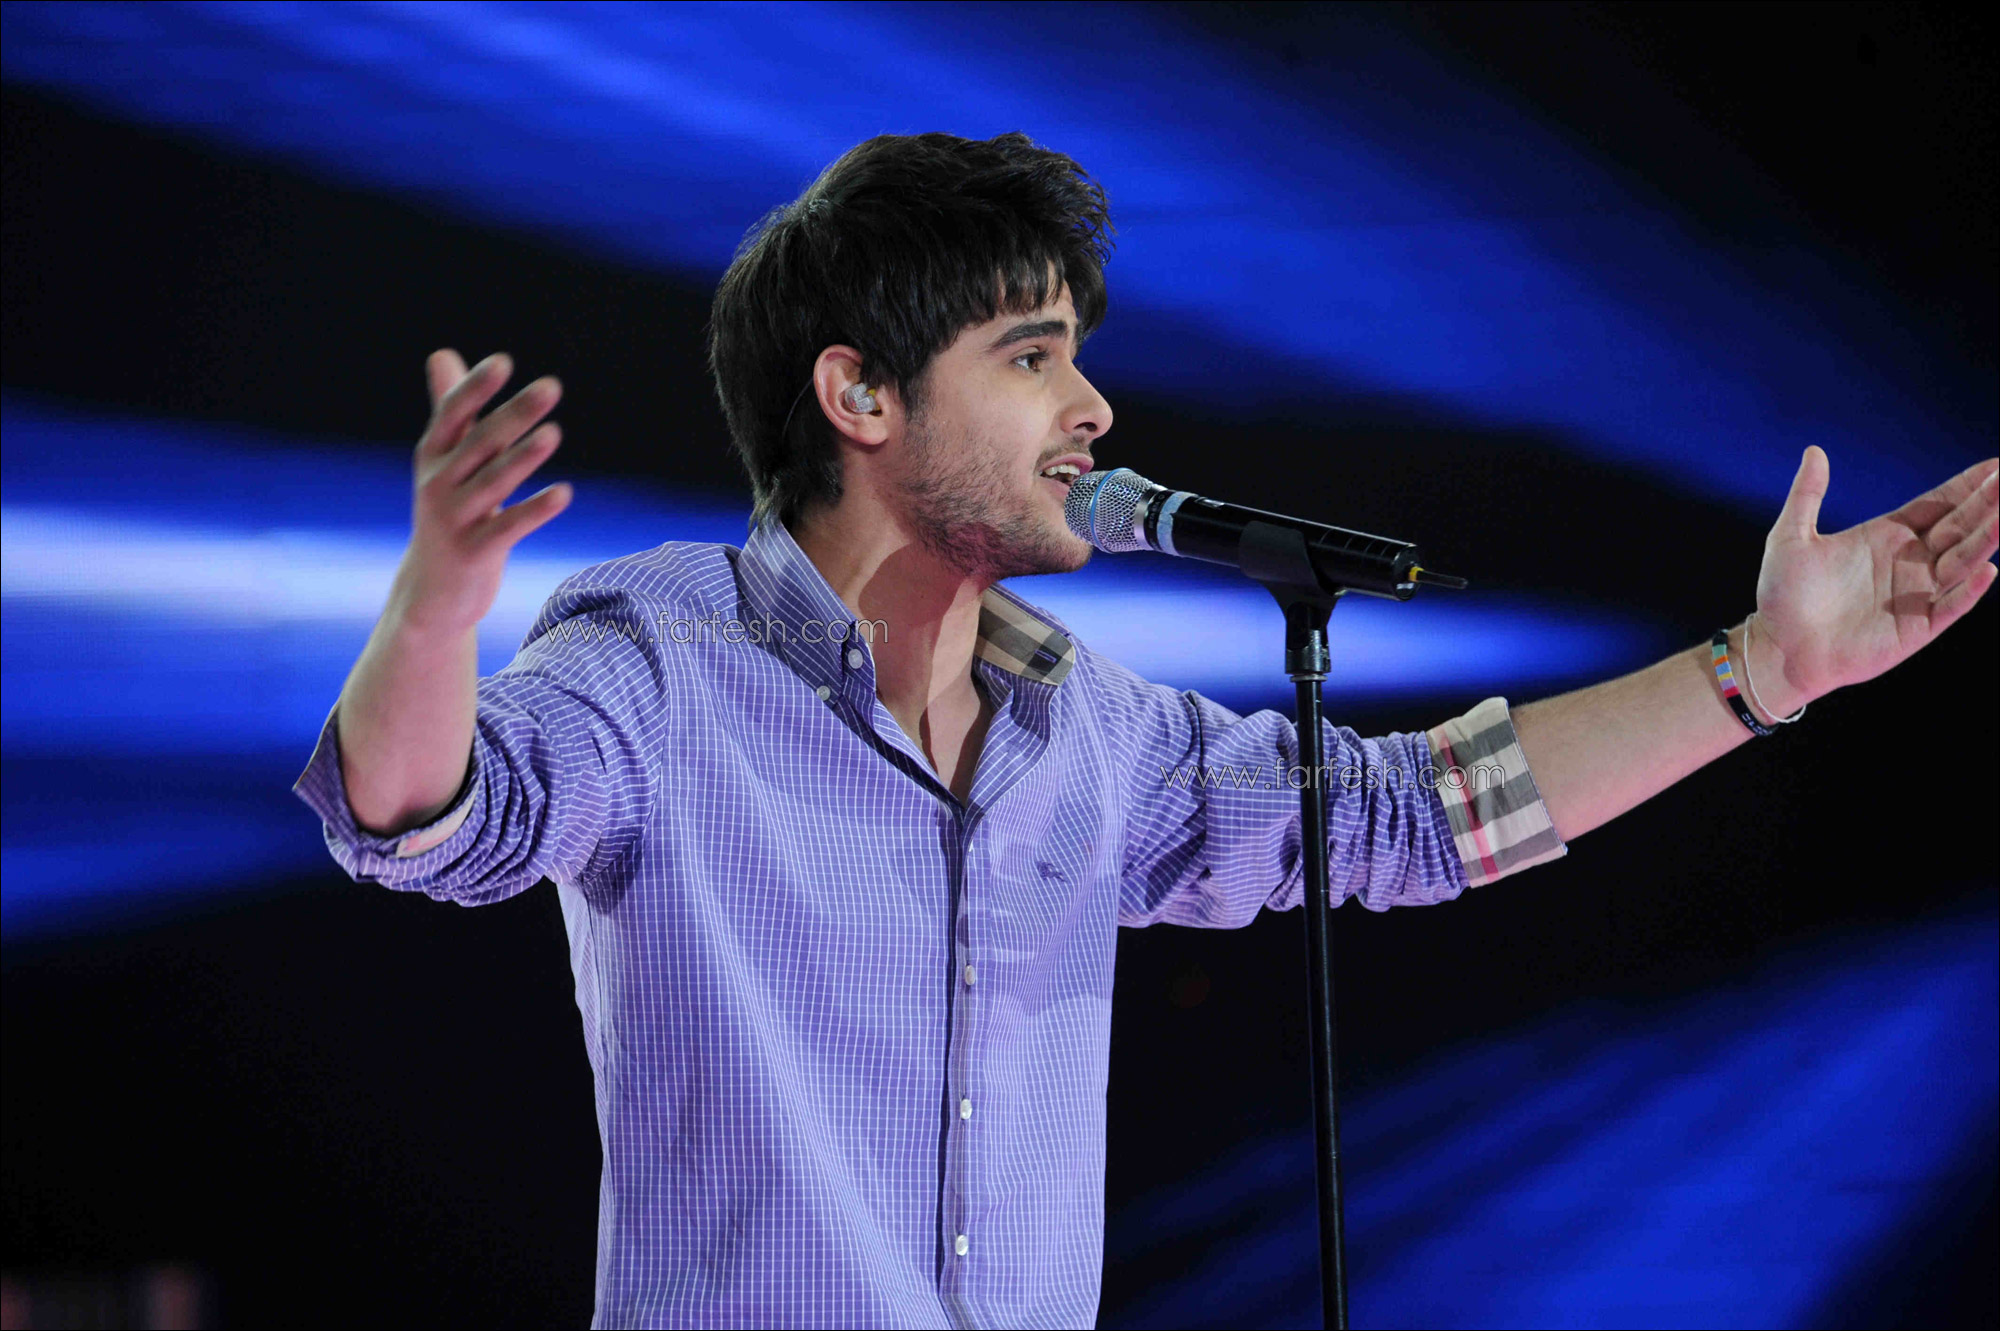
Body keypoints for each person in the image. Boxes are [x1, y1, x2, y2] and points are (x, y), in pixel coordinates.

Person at [295, 132, 1998, 1330]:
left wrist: (1760, 671)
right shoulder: (667, 651)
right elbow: (432, 815)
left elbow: (1411, 816)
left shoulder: (1087, 730)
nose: (1094, 408)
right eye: (1032, 357)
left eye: (1079, 358)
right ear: (860, 393)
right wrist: (438, 605)